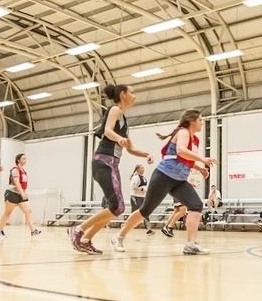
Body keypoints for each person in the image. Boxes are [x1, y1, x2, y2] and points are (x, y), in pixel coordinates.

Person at [111, 109, 215, 256]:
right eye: (200, 120)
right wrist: (202, 159)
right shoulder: (183, 132)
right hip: (164, 176)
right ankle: (119, 236)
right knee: (145, 210)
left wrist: (200, 168)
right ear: (192, 121)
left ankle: (190, 245)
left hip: (179, 180)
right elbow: (180, 151)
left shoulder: (194, 139)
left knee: (196, 205)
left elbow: (185, 159)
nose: (202, 122)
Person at [69, 84, 153, 255]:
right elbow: (107, 131)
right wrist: (118, 138)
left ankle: (85, 240)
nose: (135, 96)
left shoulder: (124, 122)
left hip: (111, 164)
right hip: (103, 161)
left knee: (116, 207)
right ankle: (78, 230)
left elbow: (130, 148)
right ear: (123, 94)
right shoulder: (115, 110)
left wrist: (146, 154)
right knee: (117, 206)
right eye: (132, 92)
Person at [0, 153, 42, 237]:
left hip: (21, 194)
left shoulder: (24, 171)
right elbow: (17, 182)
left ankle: (33, 231)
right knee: (8, 212)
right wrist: (22, 193)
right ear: (18, 160)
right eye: (23, 158)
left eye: (26, 158)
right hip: (12, 193)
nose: (25, 160)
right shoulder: (15, 170)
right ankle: (0, 231)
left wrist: (23, 193)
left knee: (28, 211)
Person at [129, 164, 154, 234]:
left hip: (142, 197)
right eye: (142, 168)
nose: (143, 169)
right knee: (134, 213)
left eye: (143, 168)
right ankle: (126, 226)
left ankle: (148, 229)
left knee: (145, 212)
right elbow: (133, 187)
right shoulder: (136, 177)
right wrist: (142, 189)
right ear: (138, 169)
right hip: (135, 197)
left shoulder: (143, 178)